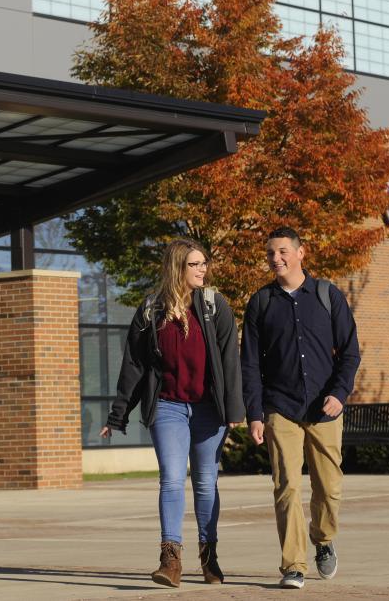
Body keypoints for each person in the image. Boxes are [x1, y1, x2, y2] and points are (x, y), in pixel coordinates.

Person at [100, 239, 245, 588]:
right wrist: (118, 414)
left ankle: (209, 557)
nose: (203, 269)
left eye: (204, 263)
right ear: (177, 268)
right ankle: (171, 560)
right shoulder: (152, 310)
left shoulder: (214, 305)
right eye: (195, 264)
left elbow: (229, 360)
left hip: (208, 409)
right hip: (167, 406)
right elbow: (133, 365)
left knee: (206, 483)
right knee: (171, 477)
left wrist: (235, 409)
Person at [240, 227, 361, 590]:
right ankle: (293, 564)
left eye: (282, 252)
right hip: (281, 408)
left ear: (300, 252)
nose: (275, 259)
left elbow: (350, 353)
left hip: (325, 410)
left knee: (329, 488)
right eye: (270, 254)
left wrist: (339, 394)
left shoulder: (327, 295)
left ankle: (323, 539)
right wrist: (256, 413)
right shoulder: (261, 303)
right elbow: (249, 364)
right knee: (287, 486)